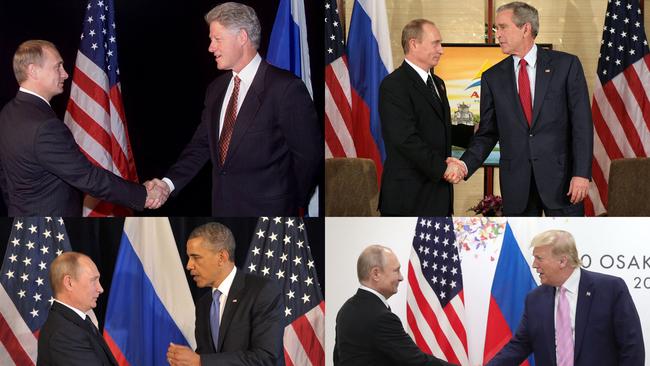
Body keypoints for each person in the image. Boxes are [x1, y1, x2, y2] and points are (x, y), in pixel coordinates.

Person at [149, 2, 322, 216]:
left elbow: (309, 156)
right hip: (223, 213)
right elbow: (201, 146)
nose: (210, 47)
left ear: (242, 37)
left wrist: (290, 201)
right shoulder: (216, 90)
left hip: (271, 217)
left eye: (217, 39)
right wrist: (168, 184)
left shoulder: (285, 88)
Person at [446, 2, 593, 216]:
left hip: (563, 184)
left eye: (503, 27)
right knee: (521, 248)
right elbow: (487, 133)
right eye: (496, 28)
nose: (498, 34)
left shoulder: (566, 66)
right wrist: (464, 165)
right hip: (517, 187)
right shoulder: (492, 77)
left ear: (526, 28)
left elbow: (582, 125)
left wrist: (581, 174)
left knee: (565, 248)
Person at [0, 40, 166, 216]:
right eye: (58, 67)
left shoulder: (7, 114)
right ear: (33, 70)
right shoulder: (45, 126)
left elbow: (5, 181)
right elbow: (88, 177)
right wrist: (143, 194)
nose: (65, 74)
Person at [487, 230, 645, 365]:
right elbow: (520, 345)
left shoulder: (610, 289)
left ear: (562, 261)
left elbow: (632, 347)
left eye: (539, 258)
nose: (534, 265)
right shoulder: (535, 298)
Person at [378, 19, 474, 216]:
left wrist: (474, 133)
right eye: (436, 43)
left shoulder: (438, 83)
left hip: (438, 194)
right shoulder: (394, 85)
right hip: (408, 197)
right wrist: (443, 169)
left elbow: (438, 127)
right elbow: (404, 139)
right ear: (414, 44)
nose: (441, 50)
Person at [166, 222, 283, 366]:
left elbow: (266, 358)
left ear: (222, 257)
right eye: (189, 258)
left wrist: (200, 362)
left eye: (196, 257)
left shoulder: (262, 291)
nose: (189, 265)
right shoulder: (204, 303)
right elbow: (207, 356)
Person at [334, 245, 455, 366]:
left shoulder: (345, 310)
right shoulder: (381, 317)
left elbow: (338, 360)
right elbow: (417, 362)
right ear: (376, 274)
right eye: (396, 270)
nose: (401, 277)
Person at [37, 252, 117, 366]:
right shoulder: (64, 334)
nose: (100, 289)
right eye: (93, 280)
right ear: (69, 283)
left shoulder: (76, 322)